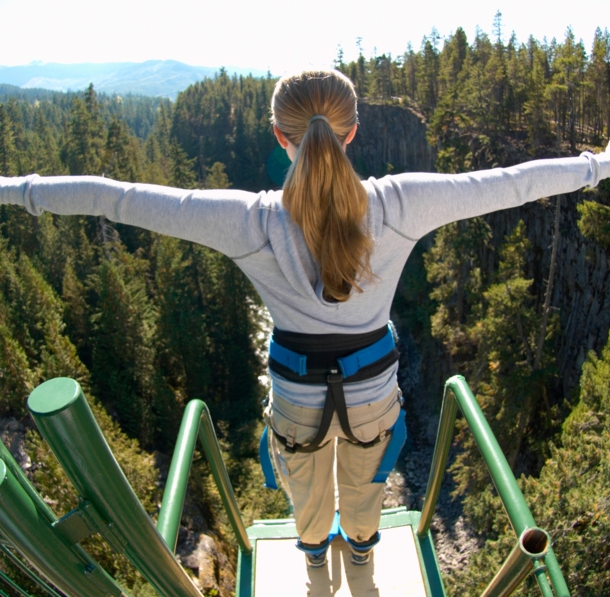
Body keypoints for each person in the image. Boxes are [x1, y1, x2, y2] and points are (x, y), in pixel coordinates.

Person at [1, 69, 609, 569]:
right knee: (367, 486)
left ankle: (316, 564)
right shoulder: (401, 203)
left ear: (278, 136)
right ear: (352, 133)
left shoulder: (250, 221)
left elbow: (115, 196)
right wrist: (595, 166)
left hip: (295, 396)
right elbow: (509, 183)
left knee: (309, 493)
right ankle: (364, 559)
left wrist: (15, 188)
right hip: (373, 391)